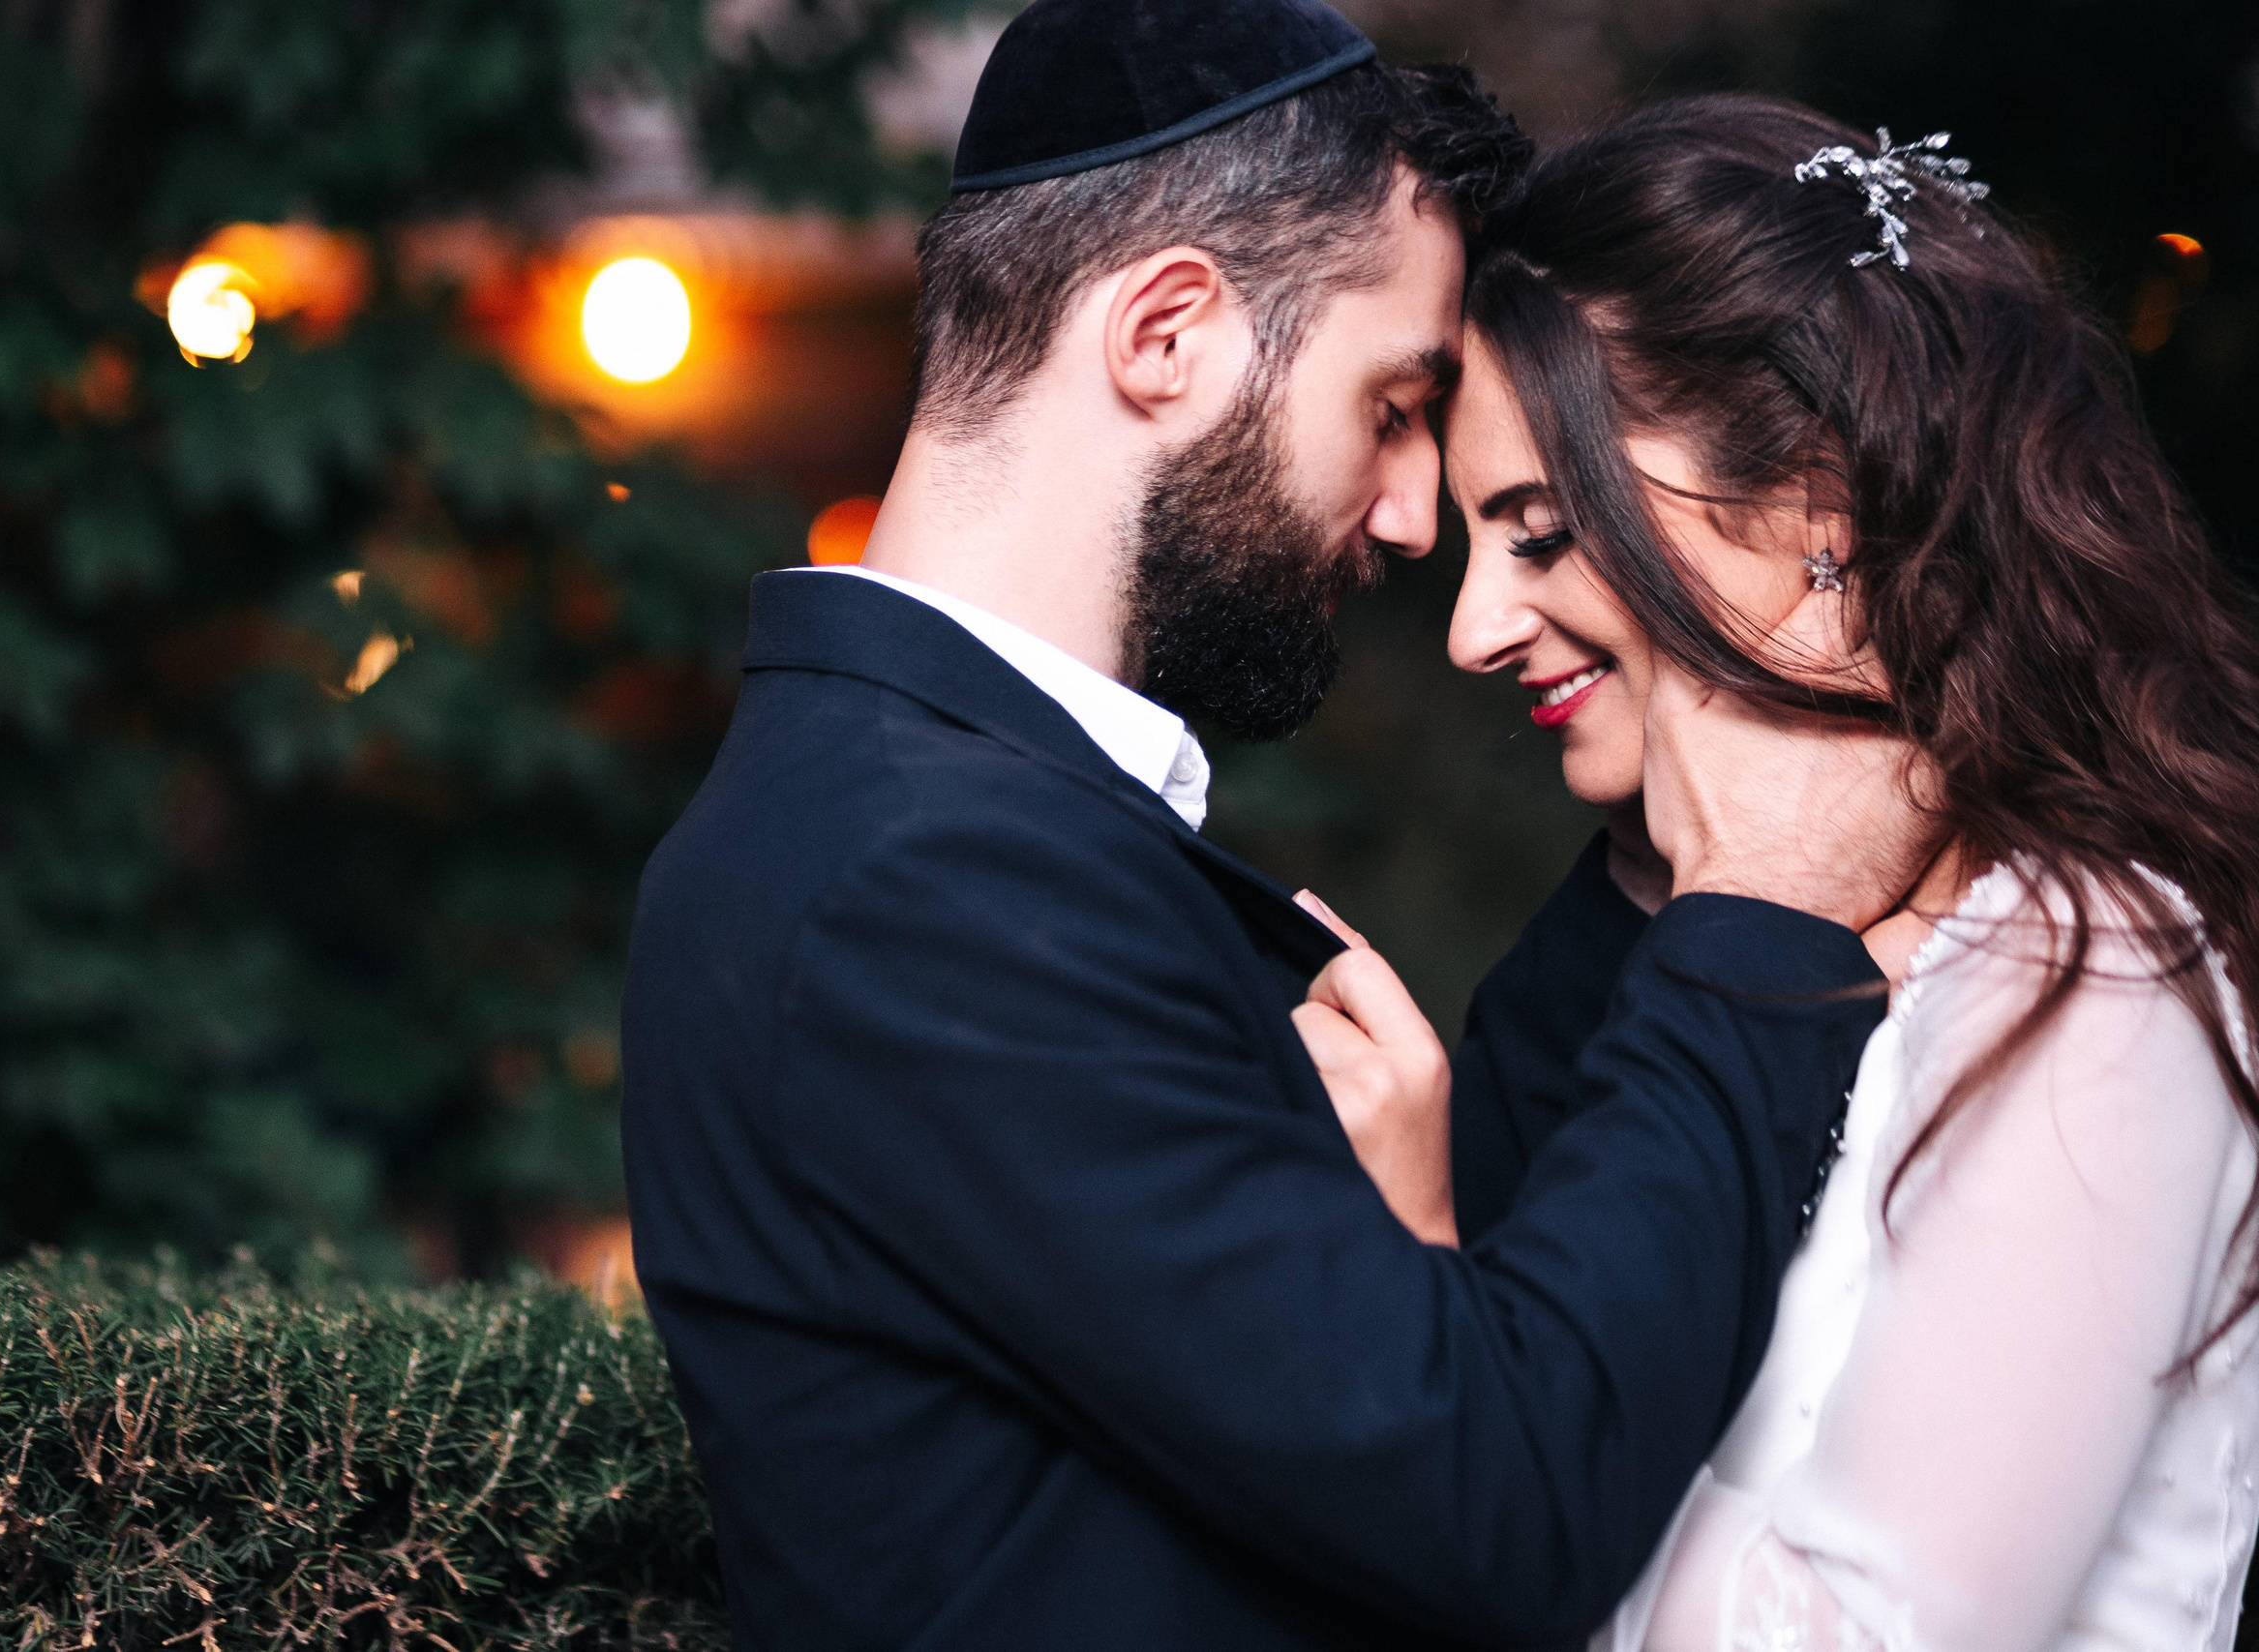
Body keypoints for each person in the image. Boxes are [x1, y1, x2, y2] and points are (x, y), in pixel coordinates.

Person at [623, 1, 1935, 1646]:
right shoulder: (924, 881)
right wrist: (1764, 913)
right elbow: (1497, 1494)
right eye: (1393, 405)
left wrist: (1659, 844)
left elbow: (1371, 1364)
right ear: (1166, 332)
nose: (1405, 512)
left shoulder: (961, 815)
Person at [1425, 94, 2259, 1650]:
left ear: (1815, 495)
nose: (1473, 626)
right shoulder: (1608, 955)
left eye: (1537, 533)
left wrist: (1441, 1347)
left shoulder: (2085, 960)